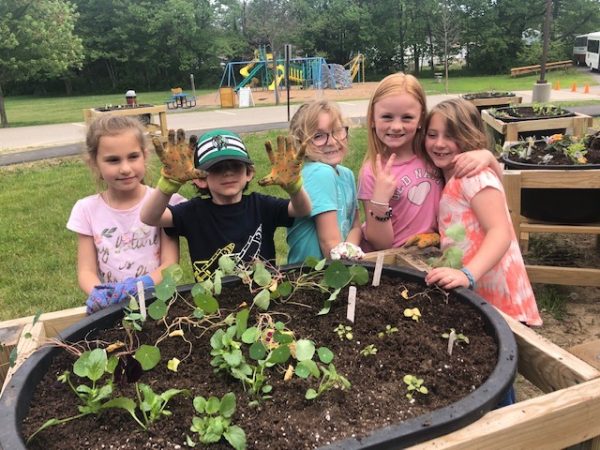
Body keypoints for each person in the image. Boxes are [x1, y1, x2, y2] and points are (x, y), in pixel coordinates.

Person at [423, 98, 542, 327]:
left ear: (471, 136)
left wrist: (467, 275)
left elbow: (501, 233)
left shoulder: (473, 175)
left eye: (451, 135)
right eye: (432, 134)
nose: (439, 143)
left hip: (501, 298)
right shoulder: (453, 173)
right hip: (479, 291)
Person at [140, 128, 311, 281]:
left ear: (249, 173)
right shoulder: (193, 212)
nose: (228, 172)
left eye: (235, 166)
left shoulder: (262, 205)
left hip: (263, 293)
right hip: (213, 303)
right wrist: (167, 186)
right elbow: (150, 217)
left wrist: (294, 188)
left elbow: (302, 210)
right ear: (200, 178)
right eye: (217, 168)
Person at [358, 72, 503, 252]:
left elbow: (493, 189)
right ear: (372, 118)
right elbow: (381, 244)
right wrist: (379, 201)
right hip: (397, 262)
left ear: (421, 119)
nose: (396, 126)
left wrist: (487, 156)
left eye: (407, 117)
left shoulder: (433, 155)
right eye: (387, 117)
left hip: (435, 253)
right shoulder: (373, 171)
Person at [67, 115, 183, 314]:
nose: (125, 168)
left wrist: (142, 285)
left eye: (133, 157)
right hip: (111, 308)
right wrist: (100, 293)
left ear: (145, 156)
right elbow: (86, 271)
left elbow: (170, 263)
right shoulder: (86, 210)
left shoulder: (165, 202)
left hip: (159, 303)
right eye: (113, 160)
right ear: (94, 163)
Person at [286, 100, 363, 263]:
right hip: (310, 276)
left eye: (338, 131)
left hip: (336, 268)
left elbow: (355, 226)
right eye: (318, 136)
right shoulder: (318, 173)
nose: (333, 141)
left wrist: (348, 252)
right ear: (300, 143)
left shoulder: (346, 175)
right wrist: (347, 261)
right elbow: (330, 245)